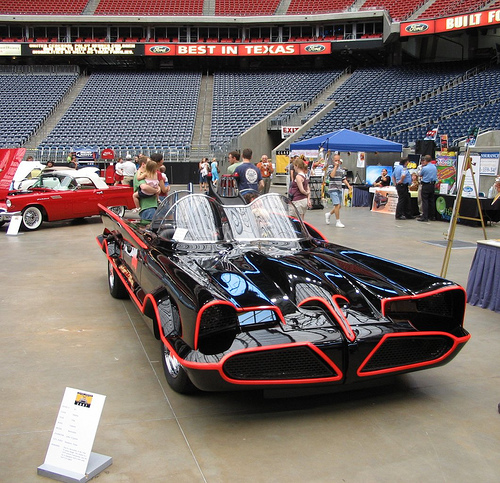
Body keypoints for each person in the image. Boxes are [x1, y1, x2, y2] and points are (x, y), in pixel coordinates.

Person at [325, 153, 351, 228]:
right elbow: (332, 175)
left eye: (338, 160)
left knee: (339, 206)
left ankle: (329, 214)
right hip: (333, 188)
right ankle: (338, 221)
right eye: (335, 160)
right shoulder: (330, 167)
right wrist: (335, 167)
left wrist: (348, 185)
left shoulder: (341, 169)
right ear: (333, 160)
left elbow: (343, 178)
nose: (337, 162)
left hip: (339, 188)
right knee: (336, 205)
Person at [417, 155, 438, 222]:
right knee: (431, 200)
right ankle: (432, 216)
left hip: (426, 184)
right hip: (432, 184)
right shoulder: (434, 167)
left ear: (426, 161)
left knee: (425, 201)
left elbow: (420, 174)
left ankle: (425, 216)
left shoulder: (425, 168)